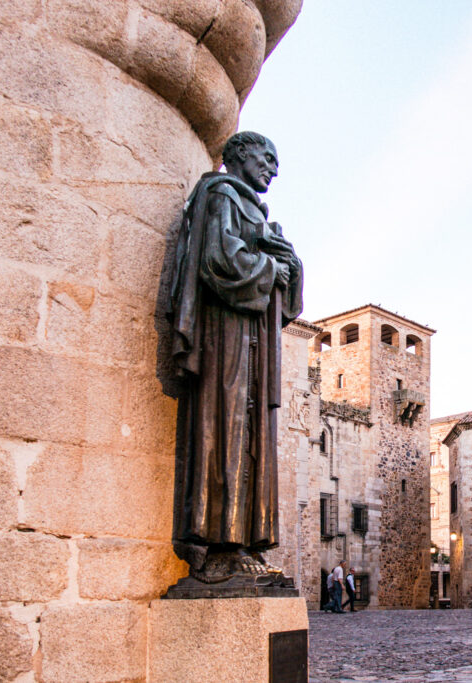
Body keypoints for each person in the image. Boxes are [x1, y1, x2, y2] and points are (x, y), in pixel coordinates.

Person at [168, 131, 303, 582]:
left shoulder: (251, 209)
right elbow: (220, 260)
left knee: (251, 435)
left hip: (252, 338)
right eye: (268, 157)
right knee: (224, 427)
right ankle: (220, 544)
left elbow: (286, 300)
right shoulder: (222, 195)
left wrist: (289, 265)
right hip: (225, 335)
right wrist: (271, 267)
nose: (274, 169)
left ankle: (245, 540)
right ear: (240, 154)